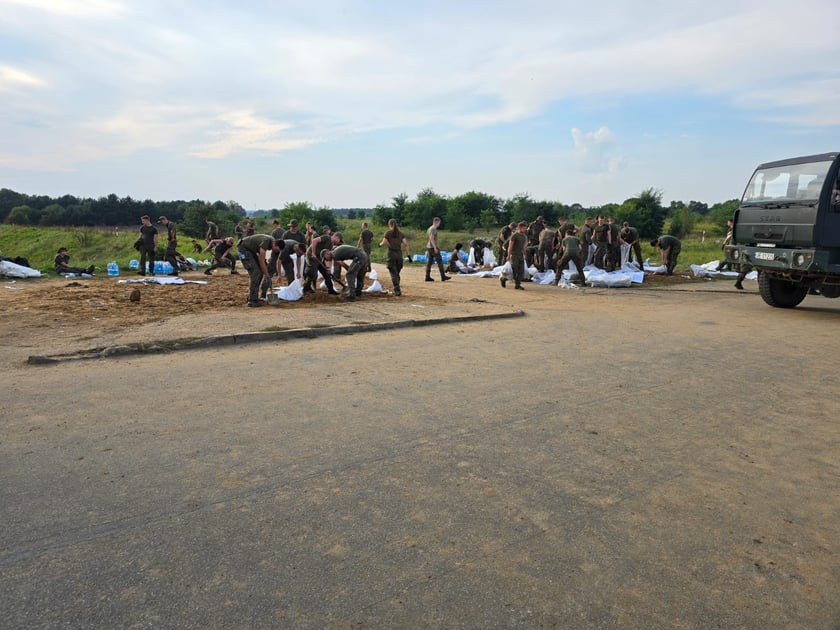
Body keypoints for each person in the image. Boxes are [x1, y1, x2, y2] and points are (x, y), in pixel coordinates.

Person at [237, 234, 282, 307]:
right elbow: (261, 261)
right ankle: (252, 300)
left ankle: (253, 296)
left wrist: (266, 273)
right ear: (275, 244)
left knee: (260, 272)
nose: (275, 251)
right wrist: (267, 276)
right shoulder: (266, 242)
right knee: (256, 272)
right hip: (244, 249)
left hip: (251, 251)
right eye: (276, 249)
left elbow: (262, 260)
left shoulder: (272, 241)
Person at [379, 218, 410, 296]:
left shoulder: (388, 233)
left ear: (390, 225)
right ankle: (396, 288)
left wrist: (379, 245)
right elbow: (406, 244)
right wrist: (408, 255)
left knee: (393, 272)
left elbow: (384, 243)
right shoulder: (401, 234)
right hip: (399, 254)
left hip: (391, 254)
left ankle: (397, 290)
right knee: (397, 272)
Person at [502, 221, 528, 290]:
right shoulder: (514, 235)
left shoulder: (524, 236)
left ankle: (518, 285)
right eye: (523, 228)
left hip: (520, 255)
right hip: (514, 255)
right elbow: (510, 246)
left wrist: (524, 254)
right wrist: (508, 255)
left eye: (525, 228)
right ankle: (504, 279)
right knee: (514, 270)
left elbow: (524, 247)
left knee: (521, 271)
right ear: (519, 228)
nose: (525, 230)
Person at [424, 217, 451, 282]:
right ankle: (443, 276)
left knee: (429, 262)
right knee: (440, 261)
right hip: (433, 247)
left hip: (429, 247)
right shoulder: (433, 229)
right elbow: (431, 238)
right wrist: (435, 247)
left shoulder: (429, 228)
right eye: (439, 223)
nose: (439, 224)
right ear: (436, 222)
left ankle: (427, 276)